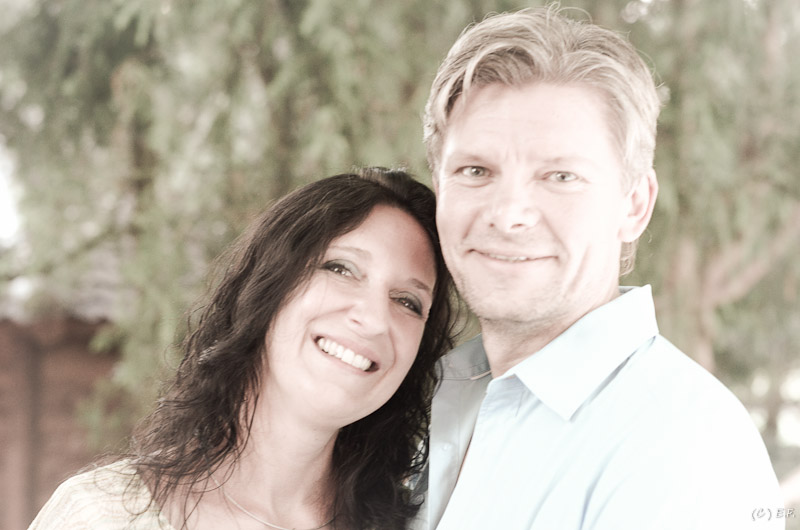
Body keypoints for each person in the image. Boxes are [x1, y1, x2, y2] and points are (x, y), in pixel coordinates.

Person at [415, 6, 785, 530]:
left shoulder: (685, 448)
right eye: (475, 170)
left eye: (560, 176)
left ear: (634, 204)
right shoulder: (436, 396)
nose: (508, 214)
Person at [29, 167, 457, 530]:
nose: (376, 318)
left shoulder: (426, 524)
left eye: (408, 301)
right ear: (269, 285)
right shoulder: (103, 515)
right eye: (341, 268)